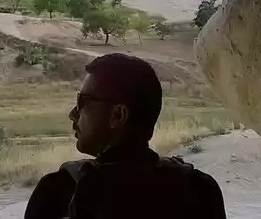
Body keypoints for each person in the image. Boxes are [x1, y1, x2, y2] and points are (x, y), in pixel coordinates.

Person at [25, 53, 226, 219]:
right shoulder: (200, 189)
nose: (73, 113)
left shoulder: (59, 191)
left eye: (82, 102)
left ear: (118, 115)